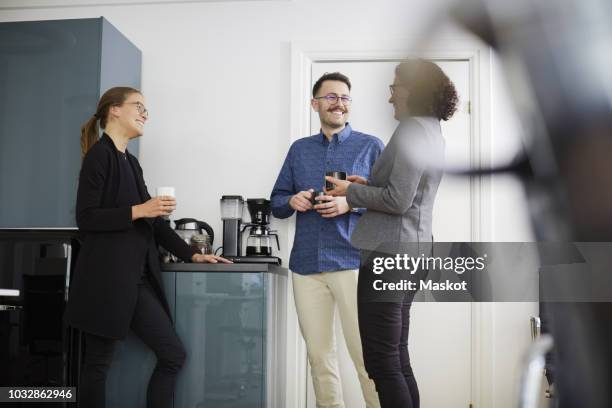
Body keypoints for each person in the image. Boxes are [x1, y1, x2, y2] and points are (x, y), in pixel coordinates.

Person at [64, 87, 231, 408]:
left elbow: (155, 224)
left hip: (134, 282)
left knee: (173, 355)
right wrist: (139, 210)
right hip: (105, 282)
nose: (145, 114)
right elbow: (86, 218)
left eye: (146, 109)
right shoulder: (100, 156)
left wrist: (193, 254)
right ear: (114, 110)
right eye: (138, 106)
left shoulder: (131, 163)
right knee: (97, 364)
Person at [325, 59, 459, 408]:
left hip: (390, 255)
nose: (390, 98)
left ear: (414, 89)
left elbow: (398, 200)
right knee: (396, 356)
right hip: (412, 252)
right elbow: (411, 193)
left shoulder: (414, 129)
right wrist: (367, 184)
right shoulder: (431, 129)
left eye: (393, 88)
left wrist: (348, 193)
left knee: (382, 361)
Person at [271, 72, 383, 408]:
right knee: (319, 359)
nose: (339, 103)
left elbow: (390, 203)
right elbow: (277, 200)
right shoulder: (299, 150)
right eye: (331, 97)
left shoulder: (371, 145)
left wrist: (349, 202)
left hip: (353, 263)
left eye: (345, 97)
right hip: (306, 265)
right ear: (315, 103)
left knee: (368, 358)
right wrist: (292, 201)